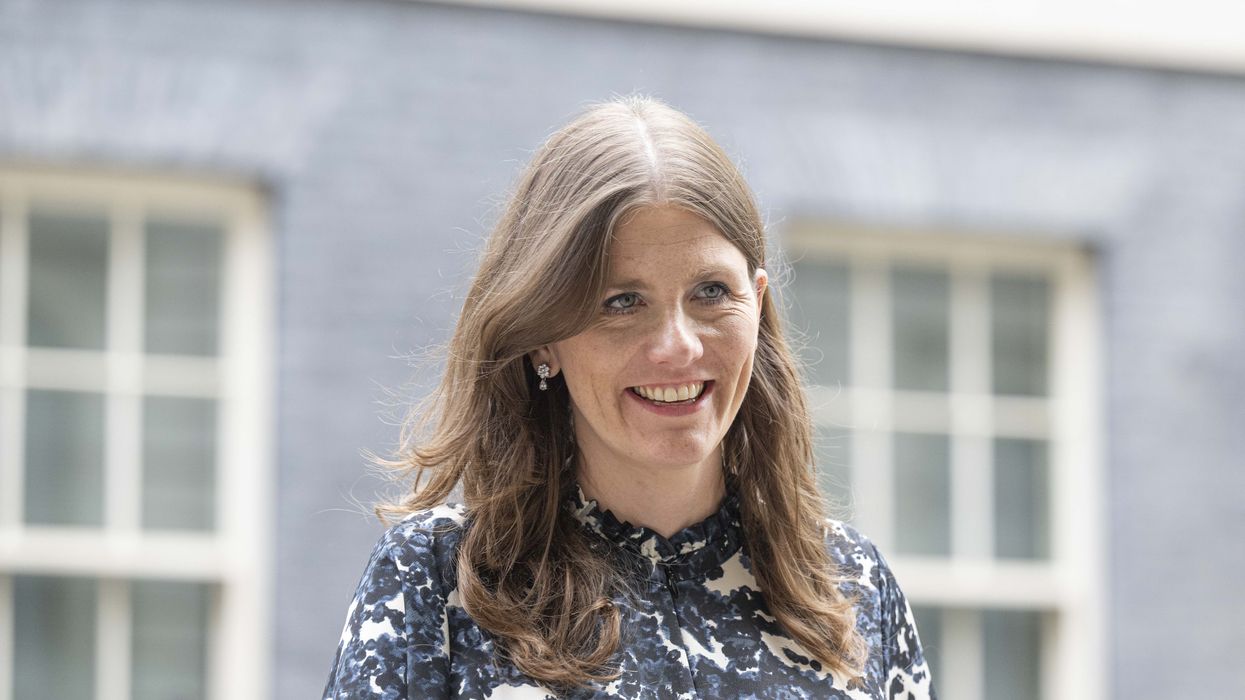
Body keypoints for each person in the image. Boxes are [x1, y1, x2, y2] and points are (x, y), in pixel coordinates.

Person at [322, 95, 937, 699]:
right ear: (543, 339)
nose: (678, 347)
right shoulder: (436, 581)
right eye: (621, 302)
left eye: (711, 292)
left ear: (757, 303)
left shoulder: (853, 586)